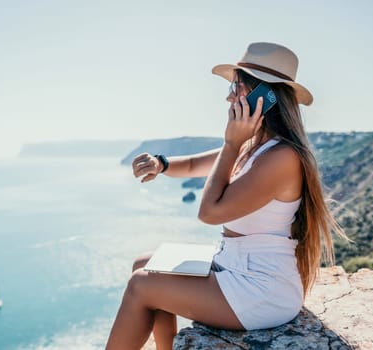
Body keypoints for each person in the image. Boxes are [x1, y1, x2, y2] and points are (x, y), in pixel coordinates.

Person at [105, 42, 346, 350]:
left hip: (262, 291)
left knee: (141, 286)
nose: (229, 96)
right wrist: (161, 163)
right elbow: (195, 164)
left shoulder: (281, 158)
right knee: (146, 262)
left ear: (265, 96)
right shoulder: (256, 146)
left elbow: (209, 212)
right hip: (235, 266)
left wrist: (231, 144)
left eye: (237, 86)